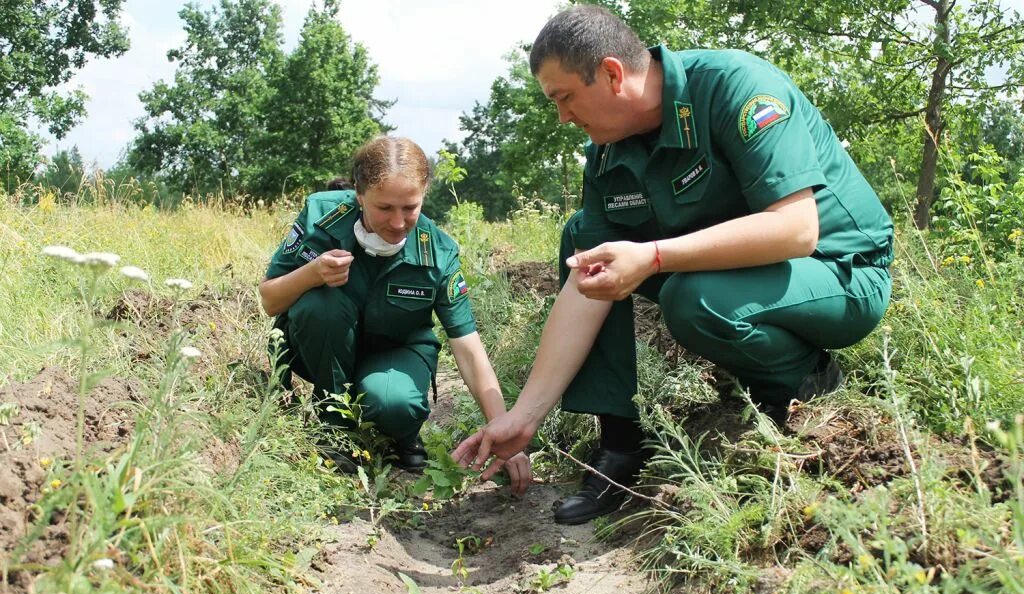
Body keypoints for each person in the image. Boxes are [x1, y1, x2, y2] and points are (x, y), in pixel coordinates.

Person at [452, 6, 893, 524]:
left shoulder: (736, 88)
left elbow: (796, 229)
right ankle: (619, 447)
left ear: (613, 74)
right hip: (745, 275)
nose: (563, 118)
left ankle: (801, 382)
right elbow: (585, 285)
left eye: (565, 98)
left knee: (694, 297)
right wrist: (524, 417)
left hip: (838, 272)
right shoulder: (609, 154)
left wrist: (654, 256)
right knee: (584, 238)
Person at [259, 136, 530, 493]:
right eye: (384, 208)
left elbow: (467, 348)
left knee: (393, 402)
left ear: (424, 196)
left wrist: (504, 428)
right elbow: (269, 300)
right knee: (320, 303)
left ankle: (398, 433)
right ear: (359, 194)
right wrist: (311, 274)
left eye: (410, 208)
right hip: (321, 349)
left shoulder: (437, 251)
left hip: (395, 355)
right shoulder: (320, 217)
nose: (399, 222)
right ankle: (333, 425)